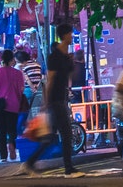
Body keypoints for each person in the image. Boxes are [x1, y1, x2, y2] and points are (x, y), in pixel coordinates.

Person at [23, 22, 82, 177]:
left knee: (50, 137)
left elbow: (70, 76)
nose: (72, 36)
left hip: (61, 98)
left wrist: (73, 62)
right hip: (55, 100)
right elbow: (50, 79)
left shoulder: (65, 55)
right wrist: (46, 102)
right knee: (66, 134)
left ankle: (30, 163)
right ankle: (68, 168)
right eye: (70, 33)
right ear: (64, 35)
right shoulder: (54, 56)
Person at [0, 49, 26, 163]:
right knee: (12, 129)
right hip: (13, 104)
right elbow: (21, 89)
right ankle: (11, 144)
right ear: (12, 60)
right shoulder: (18, 73)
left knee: (1, 130)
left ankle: (3, 156)